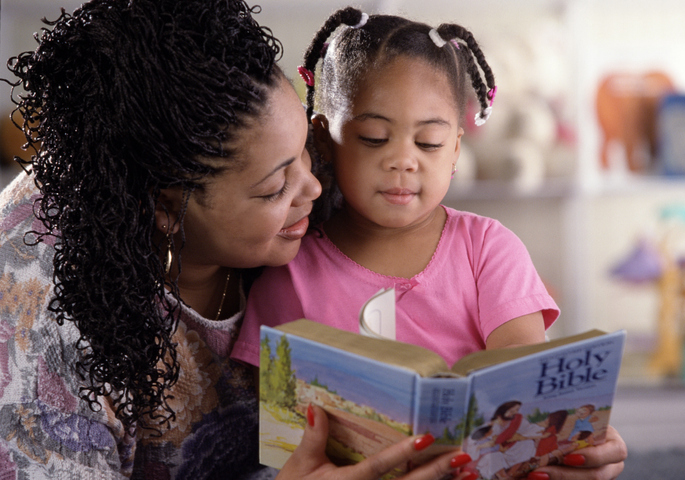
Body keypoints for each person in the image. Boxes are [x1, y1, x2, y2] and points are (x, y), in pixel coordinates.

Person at [0, 1, 476, 479]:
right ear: (165, 208)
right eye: (273, 189)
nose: (314, 187)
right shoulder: (39, 326)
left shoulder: (320, 167)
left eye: (306, 153)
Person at [231, 7, 628, 480]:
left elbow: (522, 385)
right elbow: (275, 441)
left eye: (430, 143)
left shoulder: (489, 249)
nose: (403, 161)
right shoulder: (288, 272)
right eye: (375, 138)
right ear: (323, 138)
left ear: (456, 149)